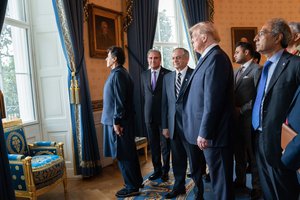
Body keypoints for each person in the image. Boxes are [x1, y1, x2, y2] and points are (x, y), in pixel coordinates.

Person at [183, 21, 234, 200]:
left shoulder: (217, 58)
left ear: (204, 37)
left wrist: (204, 132)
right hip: (208, 133)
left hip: (215, 135)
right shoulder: (208, 57)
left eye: (193, 37)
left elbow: (213, 100)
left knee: (222, 184)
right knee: (218, 181)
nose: (192, 41)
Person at [252, 18, 300, 199]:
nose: (256, 38)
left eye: (262, 33)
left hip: (282, 142)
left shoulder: (295, 65)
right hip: (259, 137)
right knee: (269, 192)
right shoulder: (264, 67)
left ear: (278, 37)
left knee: (284, 193)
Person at [161, 48, 206, 199]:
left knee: (195, 163)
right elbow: (165, 104)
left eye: (178, 58)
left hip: (191, 127)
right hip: (174, 128)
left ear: (186, 59)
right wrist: (165, 126)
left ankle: (199, 192)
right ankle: (178, 187)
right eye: (173, 58)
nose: (175, 61)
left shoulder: (195, 74)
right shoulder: (167, 77)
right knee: (178, 161)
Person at [101, 46, 143, 198]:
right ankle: (136, 182)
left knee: (124, 155)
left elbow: (120, 101)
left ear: (115, 59)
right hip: (120, 121)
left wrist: (117, 122)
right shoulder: (121, 73)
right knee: (128, 154)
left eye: (108, 56)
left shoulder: (118, 75)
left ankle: (131, 187)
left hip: (119, 123)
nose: (106, 59)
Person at [233, 42, 262, 199]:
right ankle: (240, 181)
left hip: (250, 120)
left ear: (247, 52)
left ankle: (257, 187)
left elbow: (259, 96)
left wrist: (242, 109)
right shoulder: (237, 71)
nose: (235, 55)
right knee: (239, 154)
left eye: (237, 52)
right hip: (236, 121)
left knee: (253, 156)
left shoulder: (257, 69)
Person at [141, 49, 171, 182]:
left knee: (165, 146)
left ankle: (165, 171)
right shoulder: (144, 74)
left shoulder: (168, 74)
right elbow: (145, 96)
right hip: (149, 116)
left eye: (156, 58)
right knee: (153, 145)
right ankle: (157, 170)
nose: (153, 60)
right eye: (151, 58)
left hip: (164, 117)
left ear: (160, 59)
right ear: (148, 59)